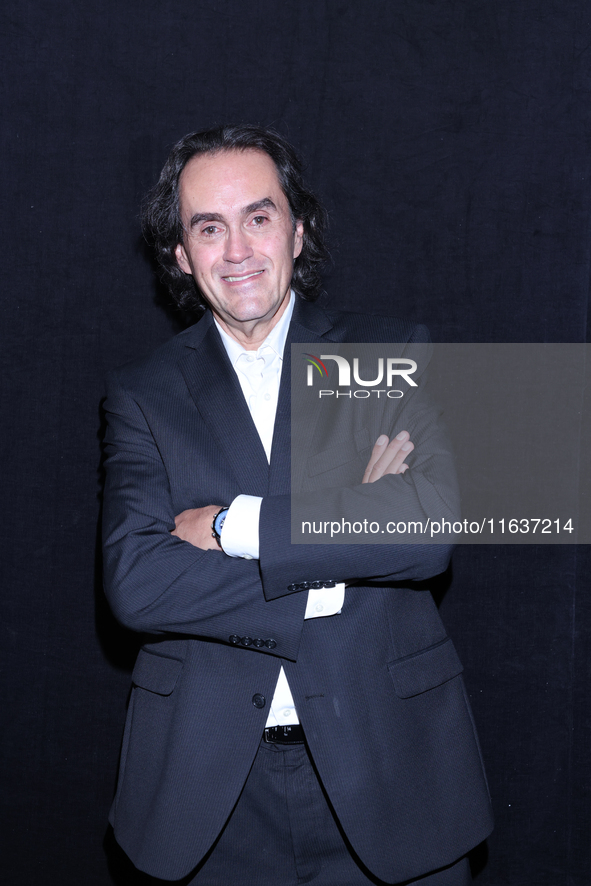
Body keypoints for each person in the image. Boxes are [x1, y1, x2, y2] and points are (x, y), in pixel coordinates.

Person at [102, 124, 493, 885]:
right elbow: (138, 582)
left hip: (392, 774)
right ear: (180, 256)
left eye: (258, 216)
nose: (238, 249)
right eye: (208, 228)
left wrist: (229, 526)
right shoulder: (141, 393)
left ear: (298, 229)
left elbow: (427, 529)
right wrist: (344, 537)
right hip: (208, 793)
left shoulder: (388, 355)